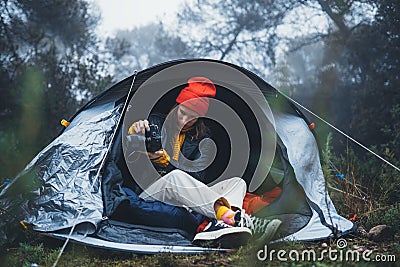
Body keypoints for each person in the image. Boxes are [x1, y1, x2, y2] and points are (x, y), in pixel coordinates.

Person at [127, 76, 282, 247]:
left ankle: (223, 225)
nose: (185, 120)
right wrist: (135, 133)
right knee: (176, 177)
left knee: (237, 183)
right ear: (176, 107)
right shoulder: (154, 123)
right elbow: (130, 159)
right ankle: (234, 220)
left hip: (182, 196)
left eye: (192, 117)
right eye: (182, 112)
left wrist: (168, 163)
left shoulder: (203, 139)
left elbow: (198, 178)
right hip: (150, 193)